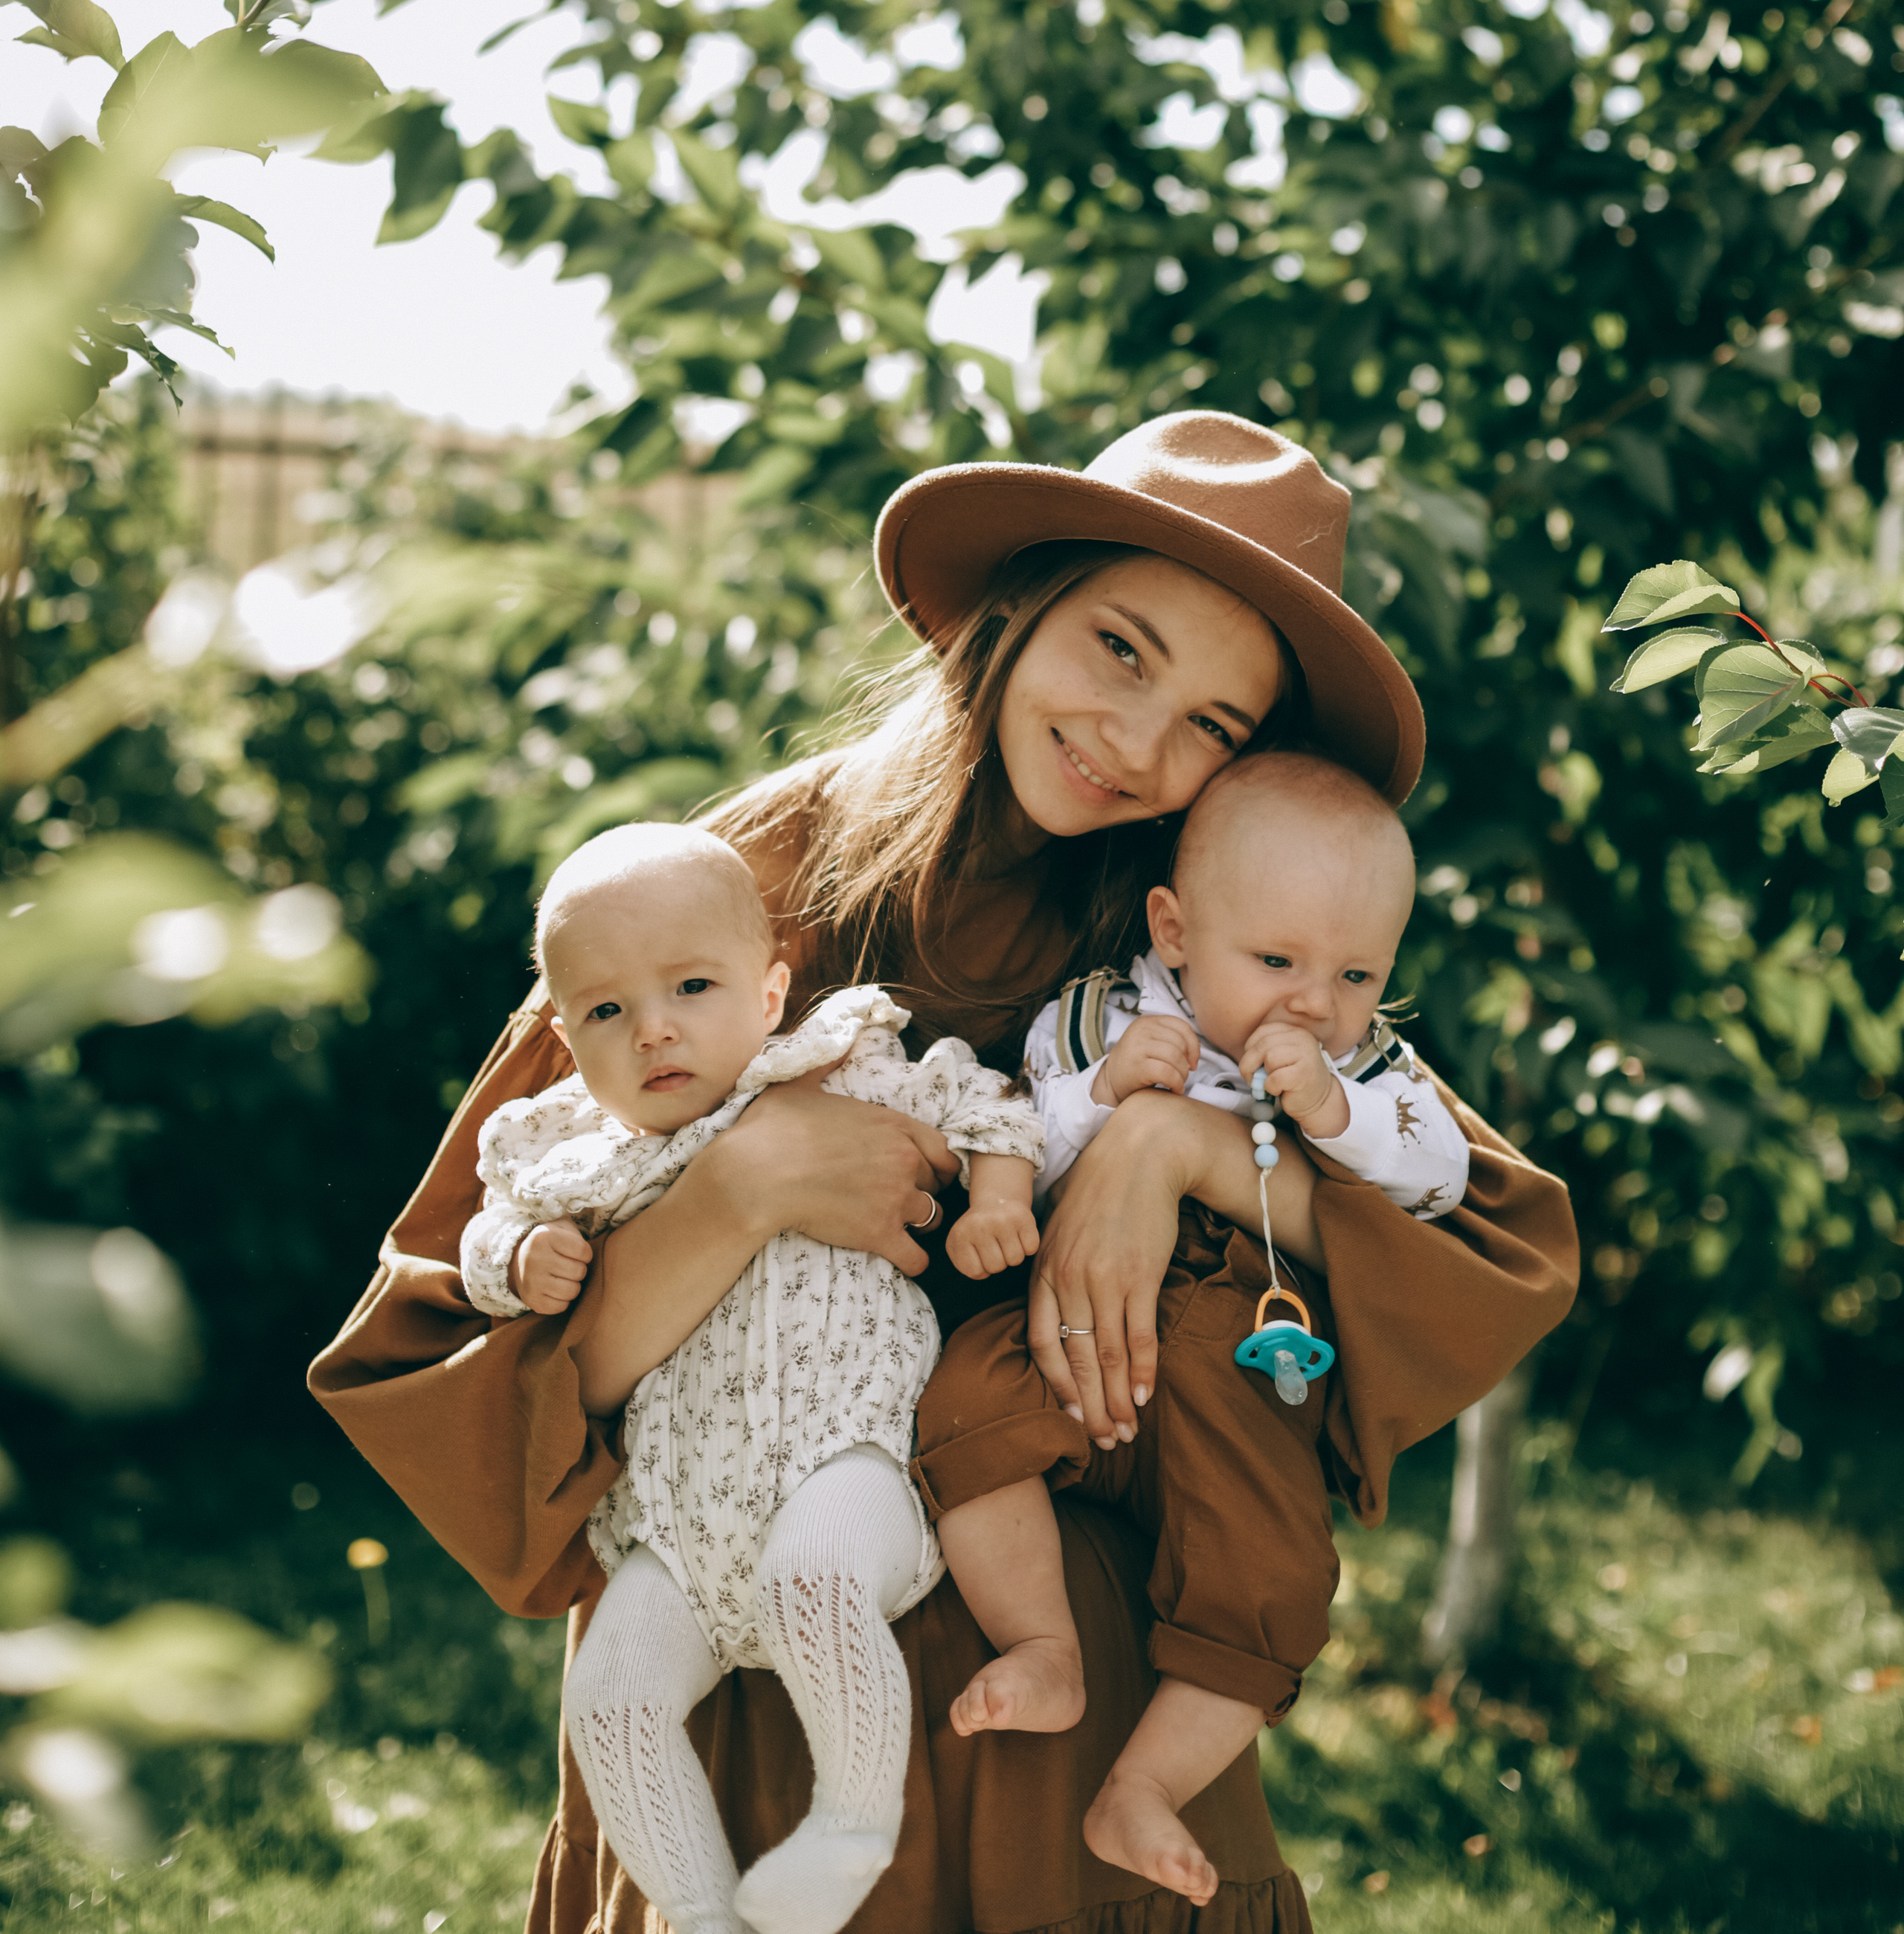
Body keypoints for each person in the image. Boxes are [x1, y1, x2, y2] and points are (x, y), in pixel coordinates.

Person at [312, 411, 1579, 1934]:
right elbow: (471, 1353)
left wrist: (1168, 1150)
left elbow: (1476, 1241)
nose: (1139, 743)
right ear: (1016, 602)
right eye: (1119, 648)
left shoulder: (1201, 934)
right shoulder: (733, 892)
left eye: (1214, 726)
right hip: (750, 1707)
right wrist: (744, 1185)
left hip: (1072, 1713)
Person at [457, 820, 1044, 1934]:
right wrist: (523, 1260)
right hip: (677, 1518)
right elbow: (481, 1248)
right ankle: (699, 1910)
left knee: (813, 1588)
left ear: (772, 991)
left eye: (690, 985)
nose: (654, 1030)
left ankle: (852, 1825)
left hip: (845, 1455)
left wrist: (1002, 1197)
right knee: (610, 1700)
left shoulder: (838, 1066)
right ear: (566, 1034)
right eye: (606, 1011)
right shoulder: (576, 1149)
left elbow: (988, 1106)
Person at [919, 749, 1472, 1904]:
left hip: (1239, 1363)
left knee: (1271, 1571)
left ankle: (1146, 1787)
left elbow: (1440, 1178)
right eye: (1275, 960)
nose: (1313, 1002)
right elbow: (1015, 1131)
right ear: (1173, 929)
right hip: (1070, 1334)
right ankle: (1046, 1645)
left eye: (1357, 973)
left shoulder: (1365, 1068)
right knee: (963, 1408)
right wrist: (1105, 1095)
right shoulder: (1097, 1019)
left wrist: (1341, 1111)